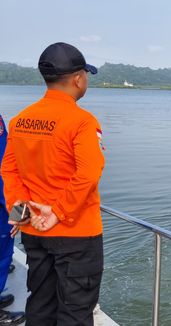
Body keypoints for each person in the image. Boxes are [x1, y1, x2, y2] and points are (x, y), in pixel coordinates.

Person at [1, 42, 104, 326]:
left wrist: (18, 209)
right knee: (75, 311)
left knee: (41, 304)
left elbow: (8, 169)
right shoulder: (81, 122)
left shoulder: (21, 120)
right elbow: (88, 173)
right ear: (78, 78)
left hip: (33, 228)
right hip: (77, 233)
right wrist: (58, 211)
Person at [0, 115, 25, 326]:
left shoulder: (19, 120)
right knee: (1, 256)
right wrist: (17, 215)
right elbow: (6, 171)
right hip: (3, 206)